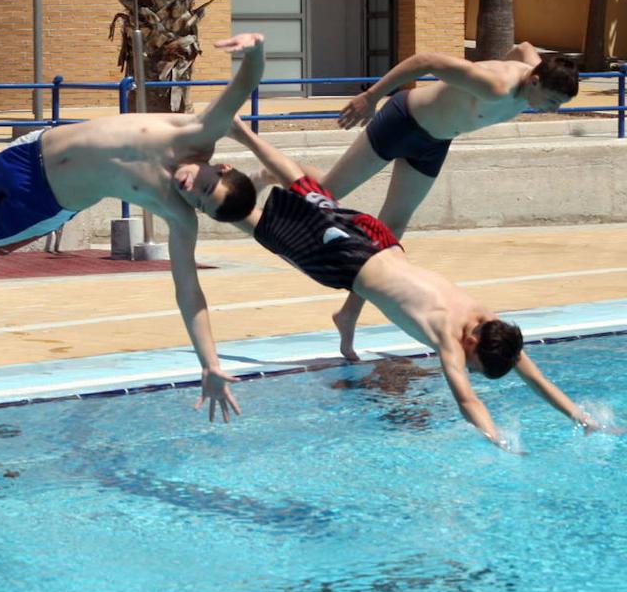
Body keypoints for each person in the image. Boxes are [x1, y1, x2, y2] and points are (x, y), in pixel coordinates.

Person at [0, 33, 271, 422]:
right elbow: (243, 85)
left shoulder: (178, 216)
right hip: (32, 151)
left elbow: (189, 293)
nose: (190, 189)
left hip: (47, 202)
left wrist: (210, 363)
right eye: (205, 184)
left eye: (199, 200)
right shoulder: (200, 130)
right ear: (222, 166)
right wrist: (254, 48)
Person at [199, 117, 614, 451]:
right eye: (474, 366)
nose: (469, 369)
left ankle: (242, 133)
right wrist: (500, 441)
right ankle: (209, 194)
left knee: (308, 190)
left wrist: (582, 418)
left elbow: (535, 378)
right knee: (270, 232)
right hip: (346, 262)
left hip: (378, 238)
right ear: (471, 347)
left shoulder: (491, 324)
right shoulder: (449, 337)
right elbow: (468, 401)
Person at [325, 44, 580, 360]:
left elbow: (524, 48)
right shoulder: (494, 84)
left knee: (390, 231)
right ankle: (261, 196)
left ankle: (348, 313)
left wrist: (506, 57)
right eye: (553, 101)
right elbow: (426, 60)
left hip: (434, 143)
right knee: (324, 194)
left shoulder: (536, 70)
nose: (553, 109)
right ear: (535, 82)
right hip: (402, 122)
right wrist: (372, 96)